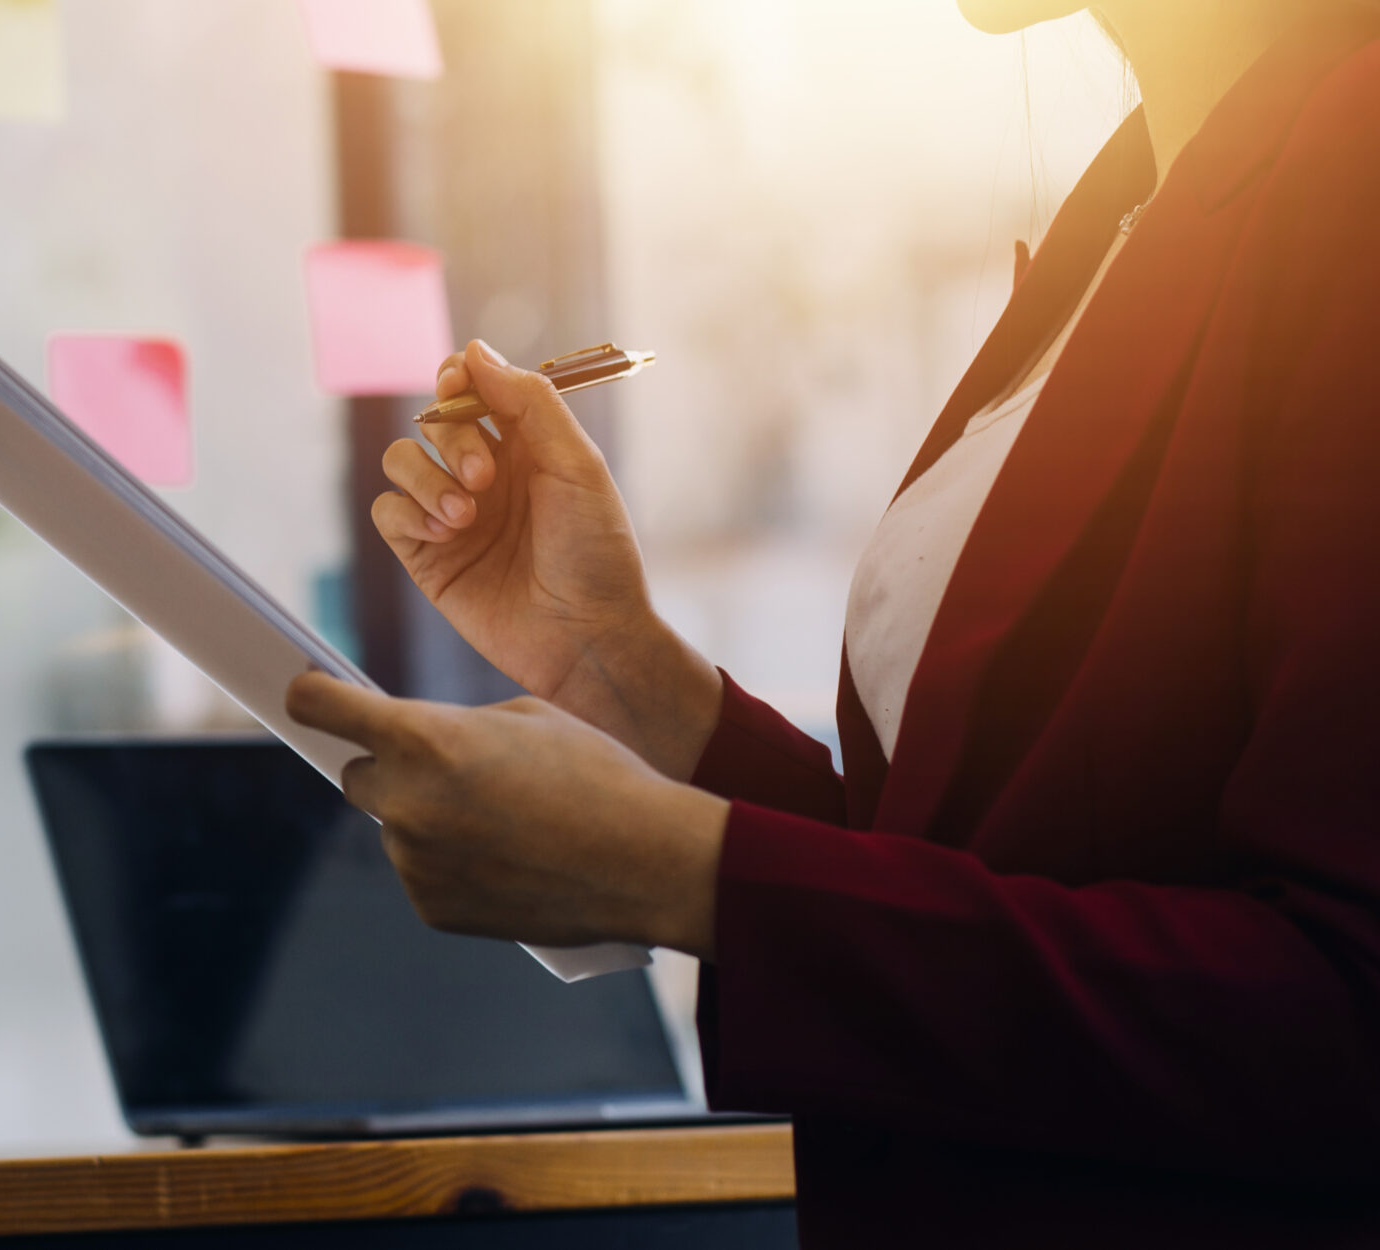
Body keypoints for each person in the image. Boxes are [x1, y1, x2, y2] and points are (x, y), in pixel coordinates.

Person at [283, 1, 1380, 1242]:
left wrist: (687, 874)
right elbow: (975, 858)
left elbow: (1345, 1017)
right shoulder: (1137, 190)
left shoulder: (1351, 161)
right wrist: (616, 657)